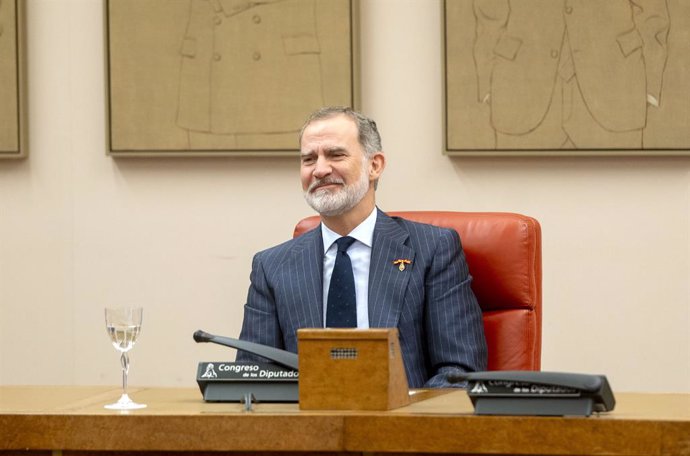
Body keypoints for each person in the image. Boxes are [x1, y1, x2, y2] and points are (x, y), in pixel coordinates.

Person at [237, 107, 487, 388]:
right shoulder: (271, 267)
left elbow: (459, 371)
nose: (319, 170)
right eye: (309, 159)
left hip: (404, 425)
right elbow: (254, 379)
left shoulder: (434, 250)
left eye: (336, 155)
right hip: (307, 426)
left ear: (375, 165)